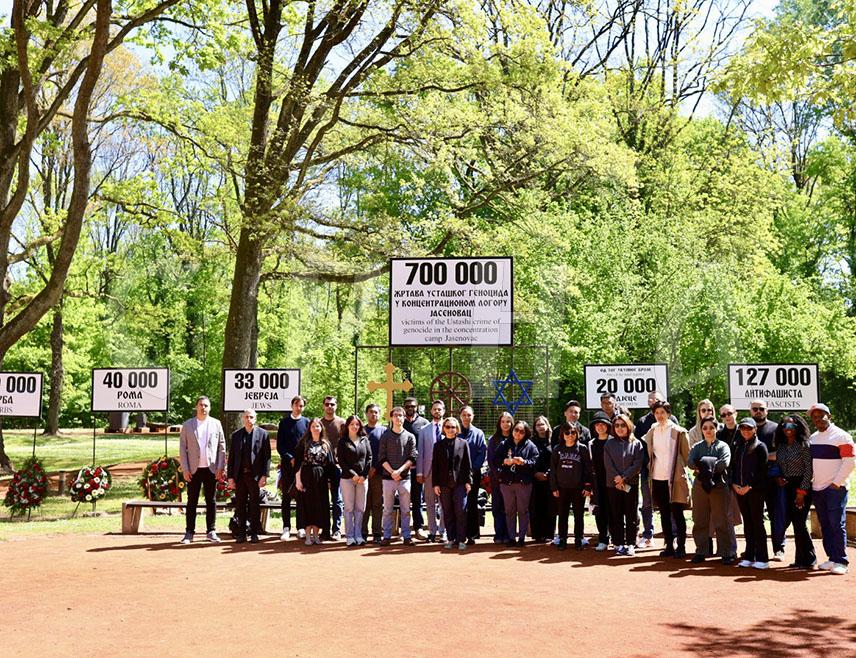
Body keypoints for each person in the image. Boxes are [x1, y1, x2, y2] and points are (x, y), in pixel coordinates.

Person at [808, 403, 855, 575]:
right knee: (825, 525)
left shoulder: (842, 436)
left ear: (829, 416)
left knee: (837, 524)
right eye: (815, 417)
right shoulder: (813, 438)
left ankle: (841, 560)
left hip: (836, 489)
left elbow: (850, 461)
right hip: (818, 488)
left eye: (821, 415)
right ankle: (832, 558)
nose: (818, 419)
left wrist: (836, 483)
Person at [643, 401, 691, 558]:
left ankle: (681, 546)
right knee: (664, 513)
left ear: (669, 413)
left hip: (675, 478)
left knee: (677, 513)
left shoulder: (679, 431)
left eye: (662, 412)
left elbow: (687, 456)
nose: (659, 415)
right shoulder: (652, 431)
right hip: (657, 478)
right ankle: (669, 545)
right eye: (656, 413)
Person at [178, 396, 226, 544]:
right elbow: (182, 448)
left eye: (206, 405)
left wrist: (220, 467)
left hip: (211, 469)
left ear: (209, 408)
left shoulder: (216, 424)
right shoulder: (187, 425)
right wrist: (185, 469)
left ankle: (211, 531)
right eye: (201, 405)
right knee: (191, 501)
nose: (203, 408)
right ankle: (189, 532)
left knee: (211, 501)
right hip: (193, 470)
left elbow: (222, 447)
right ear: (196, 407)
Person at [633, 392, 677, 549]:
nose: (653, 402)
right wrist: (645, 464)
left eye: (657, 400)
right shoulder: (643, 422)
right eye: (651, 400)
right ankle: (648, 535)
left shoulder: (672, 421)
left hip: (669, 470)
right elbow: (638, 446)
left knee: (671, 503)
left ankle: (673, 536)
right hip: (648, 470)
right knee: (647, 503)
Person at [687, 416, 733, 564]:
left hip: (719, 485)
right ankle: (701, 551)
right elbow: (690, 462)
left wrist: (703, 465)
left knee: (721, 520)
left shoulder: (723, 446)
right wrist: (710, 464)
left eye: (711, 427)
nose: (708, 430)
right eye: (705, 428)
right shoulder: (697, 447)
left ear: (716, 428)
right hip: (700, 485)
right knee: (699, 519)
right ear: (701, 430)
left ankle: (726, 552)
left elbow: (724, 463)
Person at [774, 413, 815, 569]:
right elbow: (779, 466)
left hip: (801, 487)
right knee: (794, 523)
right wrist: (779, 478)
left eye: (791, 425)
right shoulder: (781, 446)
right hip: (786, 487)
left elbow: (809, 470)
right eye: (784, 425)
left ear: (798, 427)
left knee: (800, 523)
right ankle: (800, 560)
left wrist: (801, 492)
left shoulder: (804, 444)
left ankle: (809, 559)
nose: (788, 428)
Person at [730, 417, 769, 569]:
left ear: (755, 430)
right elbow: (733, 467)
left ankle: (763, 558)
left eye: (749, 428)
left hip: (755, 491)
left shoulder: (760, 447)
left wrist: (749, 486)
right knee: (748, 523)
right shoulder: (737, 446)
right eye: (743, 428)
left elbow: (762, 471)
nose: (745, 431)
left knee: (757, 523)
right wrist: (734, 484)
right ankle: (749, 556)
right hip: (739, 491)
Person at [493, 420, 539, 546]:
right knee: (509, 511)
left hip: (523, 483)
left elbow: (535, 462)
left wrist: (524, 462)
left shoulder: (530, 446)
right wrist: (504, 461)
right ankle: (512, 538)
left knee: (523, 511)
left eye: (522, 431)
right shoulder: (504, 444)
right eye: (516, 430)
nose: (518, 433)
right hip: (507, 483)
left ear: (526, 433)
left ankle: (522, 538)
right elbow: (495, 460)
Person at [227, 409, 270, 543]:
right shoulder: (236, 435)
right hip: (240, 476)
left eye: (251, 417)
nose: (249, 419)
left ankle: (254, 533)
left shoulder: (263, 434)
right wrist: (230, 477)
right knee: (240, 505)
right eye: (246, 417)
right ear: (243, 419)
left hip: (255, 476)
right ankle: (241, 533)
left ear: (255, 419)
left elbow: (267, 457)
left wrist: (264, 475)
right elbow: (232, 458)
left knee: (254, 505)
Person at [750, 399, 785, 560]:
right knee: (755, 517)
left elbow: (782, 453)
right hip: (753, 480)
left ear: (767, 410)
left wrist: (761, 457)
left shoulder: (776, 429)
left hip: (773, 478)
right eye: (755, 409)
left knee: (775, 514)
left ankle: (779, 548)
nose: (758, 411)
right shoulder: (746, 429)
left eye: (761, 408)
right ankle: (756, 549)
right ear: (750, 411)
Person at [604, 414, 644, 556]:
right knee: (616, 515)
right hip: (613, 485)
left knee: (631, 515)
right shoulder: (609, 444)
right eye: (617, 425)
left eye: (623, 425)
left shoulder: (637, 444)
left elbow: (637, 464)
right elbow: (608, 464)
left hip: (630, 484)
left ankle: (631, 543)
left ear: (628, 426)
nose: (620, 428)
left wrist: (624, 477)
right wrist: (617, 478)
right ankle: (618, 543)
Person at [550, 422, 593, 550]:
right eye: (567, 432)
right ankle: (562, 538)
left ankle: (579, 538)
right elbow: (553, 469)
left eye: (573, 432)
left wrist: (587, 486)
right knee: (562, 514)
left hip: (578, 488)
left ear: (577, 434)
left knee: (578, 515)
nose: (570, 435)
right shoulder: (557, 449)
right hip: (562, 488)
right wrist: (554, 487)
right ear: (562, 434)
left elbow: (588, 469)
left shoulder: (582, 449)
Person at [379, 406, 418, 546]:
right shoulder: (385, 436)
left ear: (404, 417)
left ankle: (406, 536)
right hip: (387, 479)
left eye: (400, 415)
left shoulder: (410, 436)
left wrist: (399, 471)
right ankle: (387, 536)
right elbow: (381, 457)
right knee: (387, 509)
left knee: (406, 510)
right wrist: (392, 472)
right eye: (395, 415)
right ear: (391, 418)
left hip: (404, 479)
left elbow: (412, 457)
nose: (398, 418)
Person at [432, 416, 472, 550]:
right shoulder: (438, 445)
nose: (450, 429)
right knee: (447, 512)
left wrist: (468, 481)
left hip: (460, 483)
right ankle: (451, 538)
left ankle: (461, 539)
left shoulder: (463, 443)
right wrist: (435, 484)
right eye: (448, 427)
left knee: (461, 511)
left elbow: (467, 465)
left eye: (453, 427)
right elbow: (435, 466)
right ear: (444, 428)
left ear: (457, 429)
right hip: (444, 484)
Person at [295, 418, 336, 545]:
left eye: (318, 426)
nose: (315, 428)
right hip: (306, 476)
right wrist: (298, 480)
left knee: (319, 505)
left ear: (321, 428)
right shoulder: (304, 443)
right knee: (307, 505)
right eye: (313, 426)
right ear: (309, 428)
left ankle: (316, 535)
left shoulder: (326, 444)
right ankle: (308, 536)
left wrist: (329, 481)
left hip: (321, 478)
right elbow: (298, 464)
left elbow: (330, 464)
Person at [277, 395, 309, 541]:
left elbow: (308, 443)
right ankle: (286, 527)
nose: (298, 408)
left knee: (301, 496)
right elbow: (280, 445)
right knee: (286, 497)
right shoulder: (284, 423)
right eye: (296, 405)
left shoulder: (307, 423)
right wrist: (290, 458)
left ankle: (301, 527)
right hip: (287, 465)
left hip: (302, 466)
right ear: (292, 406)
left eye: (301, 405)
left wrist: (300, 459)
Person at [338, 415, 372, 546]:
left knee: (360, 508)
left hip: (362, 480)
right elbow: (341, 461)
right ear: (347, 426)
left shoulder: (365, 440)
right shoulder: (342, 441)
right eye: (352, 424)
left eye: (357, 424)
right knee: (348, 508)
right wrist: (353, 475)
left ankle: (358, 535)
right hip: (347, 479)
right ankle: (350, 536)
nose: (354, 426)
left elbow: (369, 458)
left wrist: (363, 475)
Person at [416, 400, 446, 542]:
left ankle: (443, 531)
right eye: (435, 409)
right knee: (429, 502)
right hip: (429, 471)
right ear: (431, 411)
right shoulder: (424, 430)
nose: (437, 411)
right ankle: (432, 531)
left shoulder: (450, 426)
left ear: (443, 411)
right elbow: (420, 452)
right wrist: (419, 472)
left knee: (444, 502)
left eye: (439, 409)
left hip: (444, 472)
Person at [459, 406, 486, 544]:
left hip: (473, 474)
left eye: (469, 415)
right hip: (457, 475)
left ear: (473, 416)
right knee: (459, 503)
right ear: (460, 416)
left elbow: (482, 452)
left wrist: (473, 469)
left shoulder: (479, 433)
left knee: (472, 503)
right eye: (464, 415)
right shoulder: (454, 431)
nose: (466, 417)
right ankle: (459, 534)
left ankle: (472, 535)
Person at [320, 396, 346, 540]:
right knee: (323, 499)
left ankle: (336, 529)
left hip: (337, 466)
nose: (329, 406)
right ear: (323, 406)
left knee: (337, 500)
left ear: (336, 406)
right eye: (327, 404)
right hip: (321, 467)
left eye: (332, 404)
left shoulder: (342, 423)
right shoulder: (318, 423)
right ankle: (325, 529)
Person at [403, 397, 429, 538]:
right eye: (407, 406)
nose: (410, 408)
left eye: (412, 406)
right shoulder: (399, 422)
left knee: (417, 499)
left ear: (417, 407)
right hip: (402, 469)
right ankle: (404, 529)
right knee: (403, 500)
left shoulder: (424, 423)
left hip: (418, 469)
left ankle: (419, 527)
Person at [487, 412, 514, 543]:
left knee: (509, 508)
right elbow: (491, 460)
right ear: (499, 423)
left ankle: (509, 534)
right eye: (503, 421)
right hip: (497, 479)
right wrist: (498, 474)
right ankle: (499, 534)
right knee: (497, 507)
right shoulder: (493, 439)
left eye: (508, 421)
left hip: (512, 480)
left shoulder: (515, 438)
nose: (505, 424)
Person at [589, 411, 613, 551]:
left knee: (614, 510)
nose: (600, 427)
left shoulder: (614, 441)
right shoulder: (591, 444)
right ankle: (603, 538)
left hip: (613, 482)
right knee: (600, 511)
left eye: (603, 424)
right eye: (597, 424)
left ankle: (617, 538)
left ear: (608, 426)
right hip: (597, 483)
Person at [361, 403, 385, 543]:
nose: (373, 414)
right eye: (370, 412)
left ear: (379, 414)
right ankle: (362, 533)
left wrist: (375, 467)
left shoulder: (384, 431)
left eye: (376, 412)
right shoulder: (361, 430)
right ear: (366, 414)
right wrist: (365, 470)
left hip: (379, 473)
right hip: (362, 474)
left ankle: (377, 533)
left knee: (377, 504)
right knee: (364, 504)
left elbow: (384, 452)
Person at [529, 415, 554, 542]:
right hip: (535, 479)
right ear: (535, 427)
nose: (540, 427)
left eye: (543, 424)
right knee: (536, 507)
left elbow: (556, 461)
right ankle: (537, 534)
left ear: (547, 426)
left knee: (550, 507)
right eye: (538, 425)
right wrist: (535, 473)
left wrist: (548, 474)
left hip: (550, 480)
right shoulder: (530, 442)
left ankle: (549, 534)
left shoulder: (553, 441)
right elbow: (528, 459)